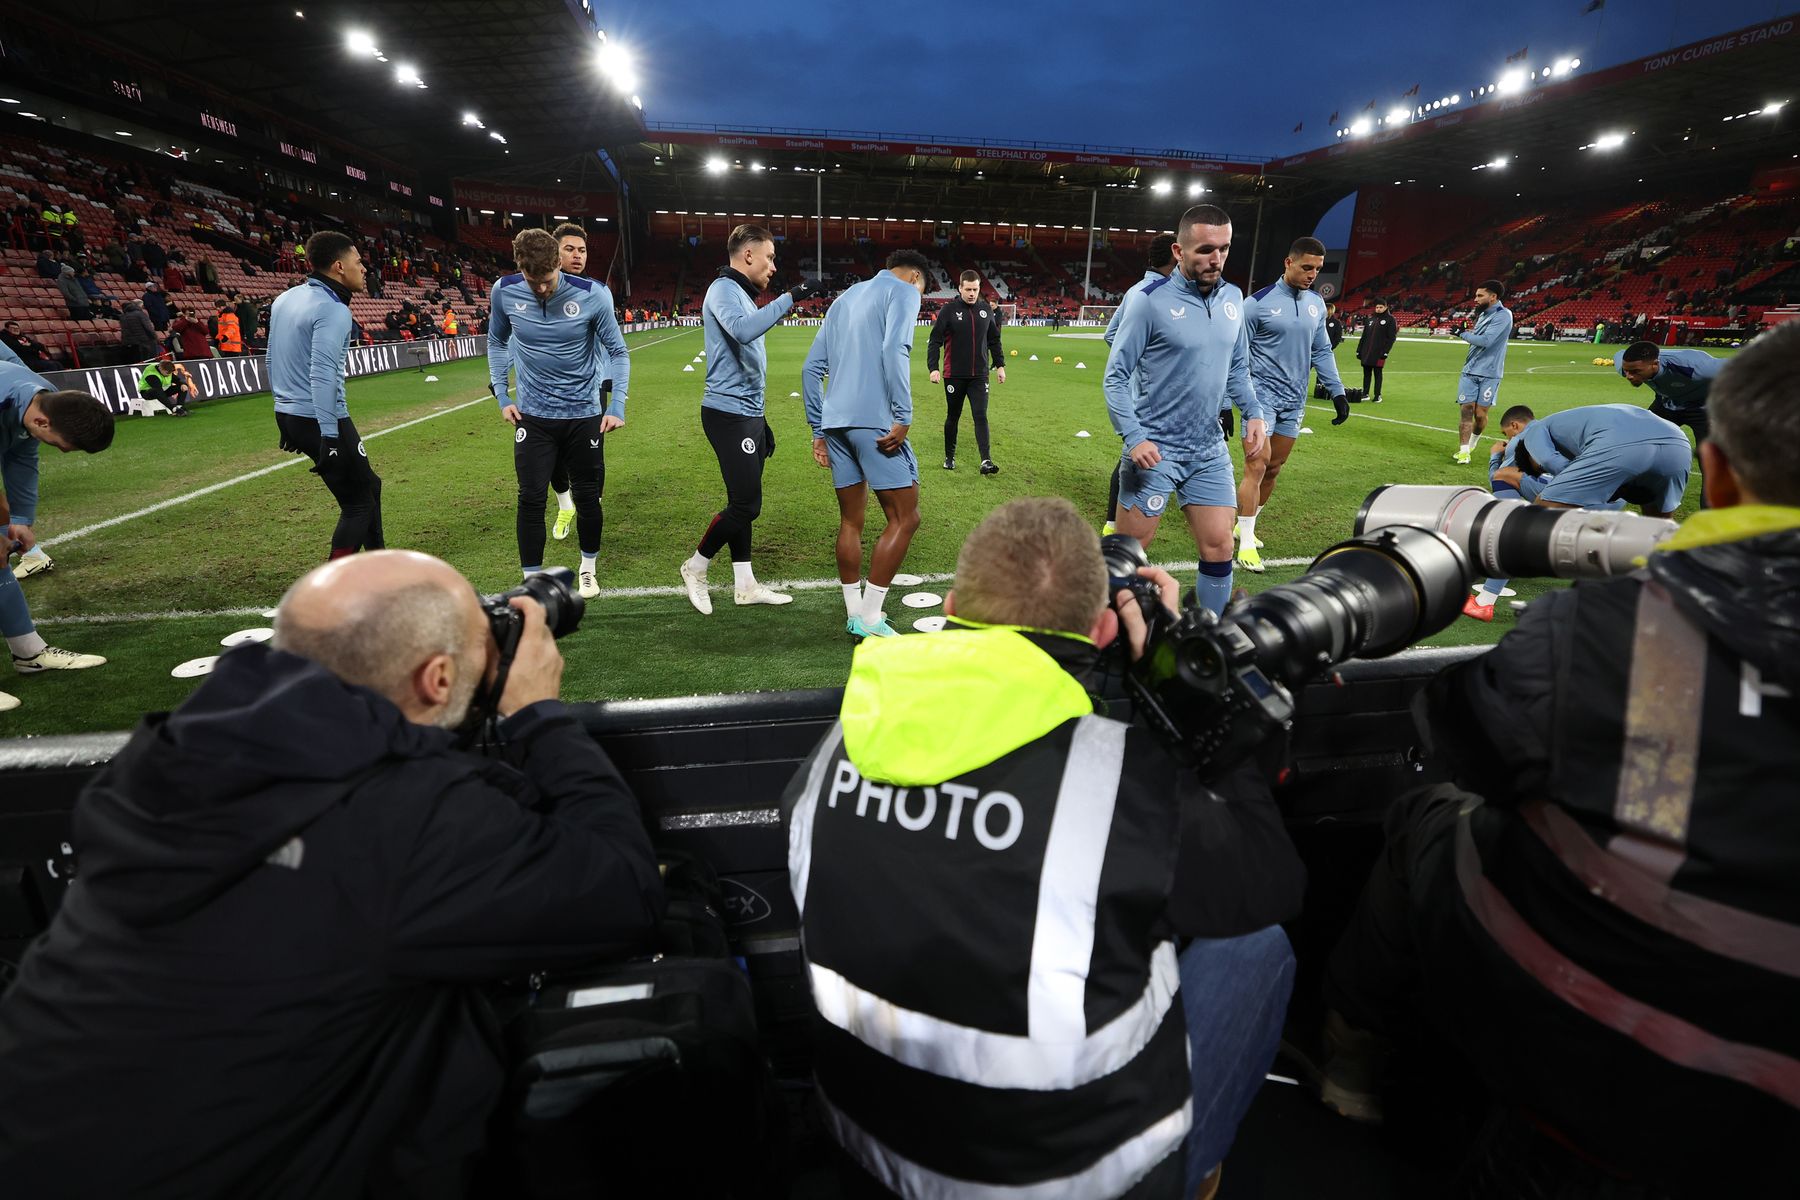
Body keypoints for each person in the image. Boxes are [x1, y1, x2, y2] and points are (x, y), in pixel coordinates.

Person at [0, 549, 667, 1193]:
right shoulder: (404, 823)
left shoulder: (160, 763)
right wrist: (539, 715)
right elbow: (622, 891)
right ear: (436, 680)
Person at [1320, 320, 1800, 1196]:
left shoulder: (1622, 628)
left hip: (1598, 1085)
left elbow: (1462, 739)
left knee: (1432, 816)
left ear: (1721, 474)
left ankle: (1354, 1067)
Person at [784, 496, 1303, 1199]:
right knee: (1256, 946)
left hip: (869, 1156)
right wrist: (1182, 688)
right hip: (1067, 1182)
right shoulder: (1125, 784)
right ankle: (1199, 1177)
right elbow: (1270, 882)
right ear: (1100, 631)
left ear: (950, 604)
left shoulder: (832, 750)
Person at [1102, 205, 1266, 615]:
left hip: (1208, 451)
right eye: (1206, 249)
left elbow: (1239, 368)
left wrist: (1254, 413)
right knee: (1128, 555)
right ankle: (1115, 645)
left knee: (1220, 545)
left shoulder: (1233, 298)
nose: (1217, 259)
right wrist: (1134, 436)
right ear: (1178, 250)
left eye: (1224, 249)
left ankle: (1208, 636)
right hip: (1155, 450)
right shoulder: (1147, 300)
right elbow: (1116, 377)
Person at [678, 223, 820, 615]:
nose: (773, 267)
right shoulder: (723, 290)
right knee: (746, 504)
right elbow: (742, 332)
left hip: (748, 413)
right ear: (748, 255)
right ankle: (696, 567)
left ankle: (745, 585)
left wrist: (761, 418)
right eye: (771, 258)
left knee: (741, 501)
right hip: (726, 413)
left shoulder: (739, 292)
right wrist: (792, 297)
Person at [488, 227, 630, 600]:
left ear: (558, 265)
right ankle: (532, 582)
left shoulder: (593, 294)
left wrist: (616, 405)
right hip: (533, 417)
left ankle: (587, 567)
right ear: (521, 268)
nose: (541, 289)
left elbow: (618, 351)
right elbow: (496, 341)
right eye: (533, 281)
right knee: (530, 497)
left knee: (587, 497)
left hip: (584, 414)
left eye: (548, 280)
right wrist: (502, 395)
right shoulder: (504, 290)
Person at [800, 249, 930, 640]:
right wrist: (903, 415)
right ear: (913, 279)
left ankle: (855, 610)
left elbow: (810, 369)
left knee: (851, 521)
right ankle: (870, 618)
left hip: (835, 424)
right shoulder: (904, 292)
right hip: (873, 423)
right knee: (906, 517)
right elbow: (895, 350)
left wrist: (817, 429)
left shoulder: (843, 299)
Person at [0, 360, 113, 712]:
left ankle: (29, 653)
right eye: (63, 444)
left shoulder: (37, 397)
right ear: (41, 422)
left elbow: (21, 458)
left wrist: (18, 520)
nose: (63, 451)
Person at [1235, 237, 1348, 573]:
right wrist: (1228, 401)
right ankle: (1244, 545)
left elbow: (1321, 352)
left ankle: (1246, 524)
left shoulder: (1315, 304)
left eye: (1317, 268)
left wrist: (1338, 392)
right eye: (1306, 267)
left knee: (1274, 468)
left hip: (1294, 398)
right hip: (1260, 398)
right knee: (1256, 465)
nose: (1313, 274)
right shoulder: (1256, 304)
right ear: (1288, 263)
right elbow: (1235, 356)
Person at [269, 230, 382, 561]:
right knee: (358, 503)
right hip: (320, 418)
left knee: (369, 487)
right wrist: (330, 437)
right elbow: (323, 374)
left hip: (292, 415)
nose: (364, 269)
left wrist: (283, 416)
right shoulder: (333, 310)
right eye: (358, 262)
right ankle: (333, 584)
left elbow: (270, 358)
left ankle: (380, 562)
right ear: (338, 267)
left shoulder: (286, 298)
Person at [1100, 234, 1180, 536]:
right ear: (1176, 257)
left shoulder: (1135, 289)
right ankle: (1116, 525)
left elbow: (1111, 335)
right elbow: (1117, 338)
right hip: (1152, 394)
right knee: (1136, 455)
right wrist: (1148, 367)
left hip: (1142, 390)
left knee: (1137, 453)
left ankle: (1115, 524)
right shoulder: (1153, 293)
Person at [1491, 402, 1691, 519]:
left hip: (1619, 445)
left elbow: (1551, 461)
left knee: (1541, 512)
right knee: (1658, 524)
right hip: (1678, 443)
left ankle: (1502, 567)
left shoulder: (1532, 433)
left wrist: (1577, 483)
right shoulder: (1568, 428)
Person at [926, 269, 1006, 474]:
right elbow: (935, 340)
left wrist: (1000, 366)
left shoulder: (985, 310)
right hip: (954, 375)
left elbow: (994, 340)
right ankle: (949, 457)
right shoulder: (949, 310)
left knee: (981, 415)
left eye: (975, 289)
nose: (972, 293)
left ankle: (986, 461)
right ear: (960, 288)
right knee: (953, 416)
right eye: (968, 289)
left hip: (979, 375)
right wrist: (933, 368)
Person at [1613, 340, 1717, 448]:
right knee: (1641, 441)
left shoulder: (1696, 367)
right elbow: (1619, 354)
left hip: (1702, 407)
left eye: (1635, 371)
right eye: (1627, 371)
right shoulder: (1627, 366)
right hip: (1666, 402)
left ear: (1655, 364)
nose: (1629, 376)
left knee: (1709, 454)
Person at [1452, 281, 1512, 464]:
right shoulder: (1484, 314)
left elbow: (1486, 341)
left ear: (1492, 297)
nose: (1475, 299)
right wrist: (1467, 332)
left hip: (1490, 373)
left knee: (1480, 415)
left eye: (1480, 296)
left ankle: (1472, 442)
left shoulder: (1504, 315)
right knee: (1466, 409)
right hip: (1470, 371)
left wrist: (1461, 333)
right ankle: (1463, 451)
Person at [136, 351, 196, 417]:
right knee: (156, 391)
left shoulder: (167, 370)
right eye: (167, 373)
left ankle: (180, 407)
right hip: (147, 392)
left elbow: (177, 380)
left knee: (183, 386)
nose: (169, 375)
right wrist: (172, 407)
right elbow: (158, 390)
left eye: (170, 373)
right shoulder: (151, 374)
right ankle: (174, 409)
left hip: (163, 390)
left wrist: (183, 384)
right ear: (161, 369)